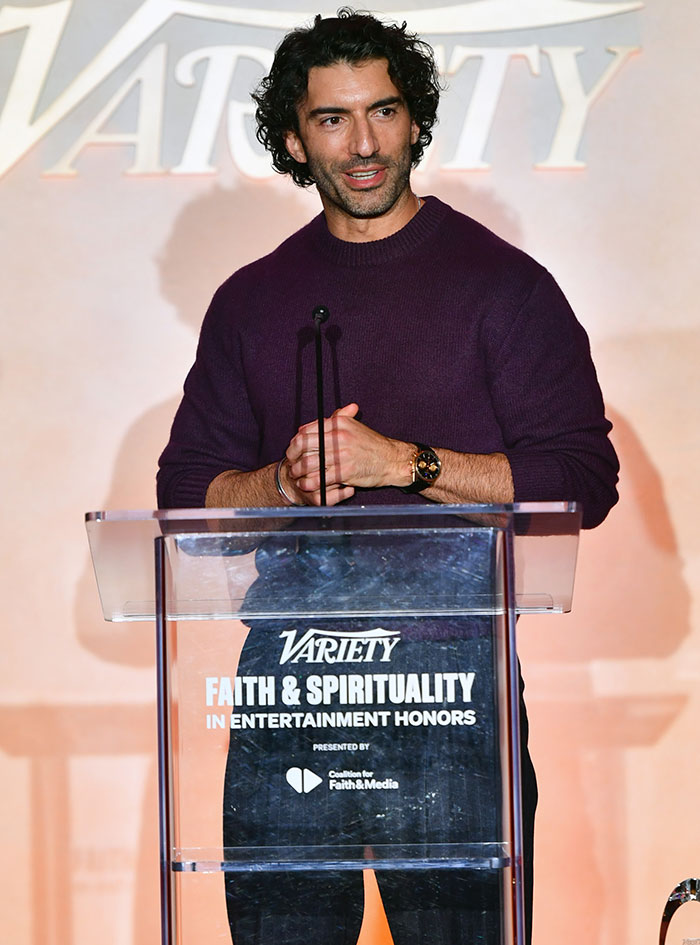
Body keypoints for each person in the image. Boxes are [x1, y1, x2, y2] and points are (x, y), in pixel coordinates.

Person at [157, 9, 619, 944]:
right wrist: (283, 485)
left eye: (384, 112)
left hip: (454, 682)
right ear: (295, 139)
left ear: (415, 121)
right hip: (289, 683)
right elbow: (183, 502)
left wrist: (405, 464)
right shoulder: (252, 300)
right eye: (333, 119)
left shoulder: (505, 287)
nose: (363, 145)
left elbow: (582, 479)